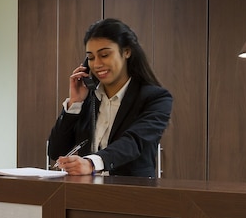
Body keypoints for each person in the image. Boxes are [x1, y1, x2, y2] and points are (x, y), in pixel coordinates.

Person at [48, 18, 172, 177]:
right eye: (91, 58)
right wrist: (75, 103)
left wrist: (92, 163)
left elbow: (134, 142)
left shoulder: (156, 98)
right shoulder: (89, 99)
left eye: (104, 55)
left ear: (126, 52)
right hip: (86, 189)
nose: (97, 64)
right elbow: (56, 151)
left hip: (132, 190)